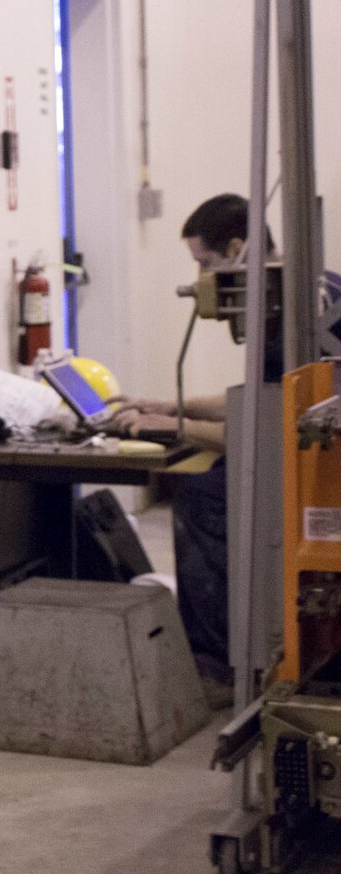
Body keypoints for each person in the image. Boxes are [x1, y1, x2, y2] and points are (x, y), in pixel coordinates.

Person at [112, 193, 341, 687]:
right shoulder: (313, 288)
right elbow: (254, 403)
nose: (199, 282)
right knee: (214, 479)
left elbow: (265, 435)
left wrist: (173, 431)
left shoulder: (287, 313)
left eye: (205, 264)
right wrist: (172, 406)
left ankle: (217, 663)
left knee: (203, 498)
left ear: (238, 248)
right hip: (315, 446)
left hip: (322, 464)